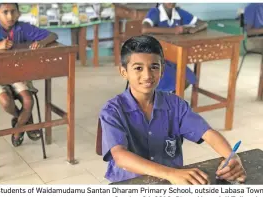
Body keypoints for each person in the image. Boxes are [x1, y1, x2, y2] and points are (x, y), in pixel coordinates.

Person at [99, 35, 246, 184]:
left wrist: (232, 157)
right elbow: (120, 156)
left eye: (154, 67)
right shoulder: (113, 111)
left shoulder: (175, 105)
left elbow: (208, 133)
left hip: (170, 182)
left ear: (162, 71)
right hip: (130, 183)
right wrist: (171, 173)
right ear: (124, 72)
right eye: (138, 68)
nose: (147, 75)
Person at [0, 3, 58, 147]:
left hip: (17, 75)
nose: (10, 16)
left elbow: (52, 35)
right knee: (6, 101)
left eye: (13, 12)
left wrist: (42, 42)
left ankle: (18, 129)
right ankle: (25, 120)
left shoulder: (23, 28)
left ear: (19, 13)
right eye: (5, 12)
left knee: (28, 101)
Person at [141, 3, 208, 92]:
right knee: (171, 79)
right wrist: (174, 31)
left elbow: (203, 23)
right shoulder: (155, 12)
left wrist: (194, 29)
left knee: (188, 79)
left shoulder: (179, 12)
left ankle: (169, 100)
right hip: (155, 58)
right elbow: (145, 29)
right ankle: (160, 99)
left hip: (173, 58)